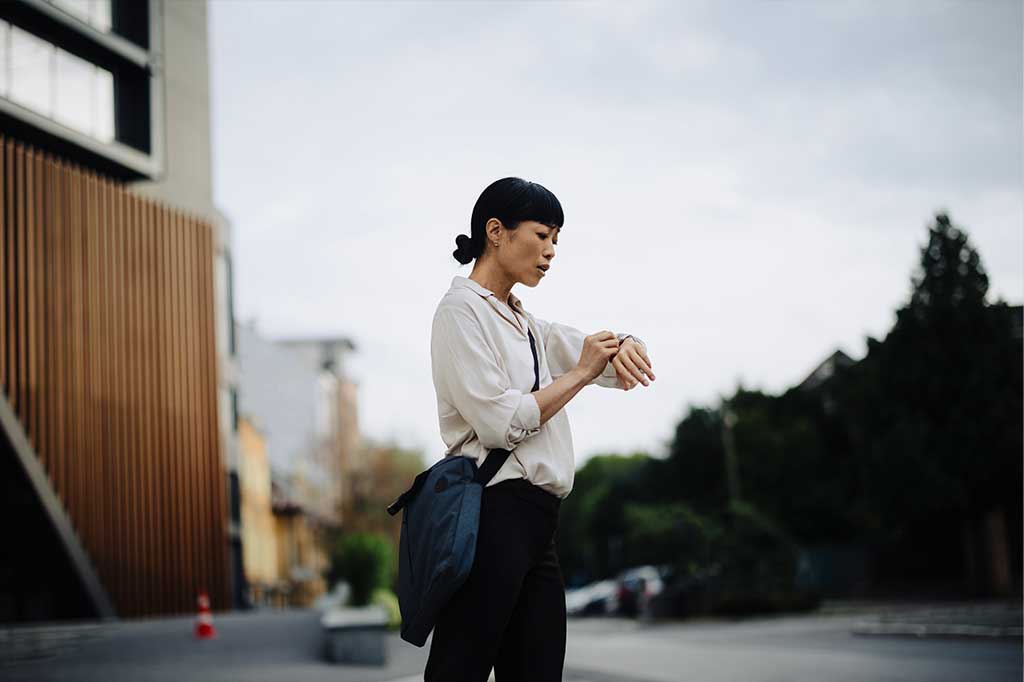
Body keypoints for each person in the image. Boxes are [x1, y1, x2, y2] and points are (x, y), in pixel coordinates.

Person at [424, 177, 655, 682]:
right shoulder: (459, 312)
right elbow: (499, 422)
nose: (551, 252)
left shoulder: (528, 325)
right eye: (542, 235)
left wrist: (627, 343)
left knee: (537, 672)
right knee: (458, 669)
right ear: (496, 232)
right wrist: (578, 374)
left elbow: (604, 360)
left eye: (557, 240)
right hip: (491, 513)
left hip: (540, 522)